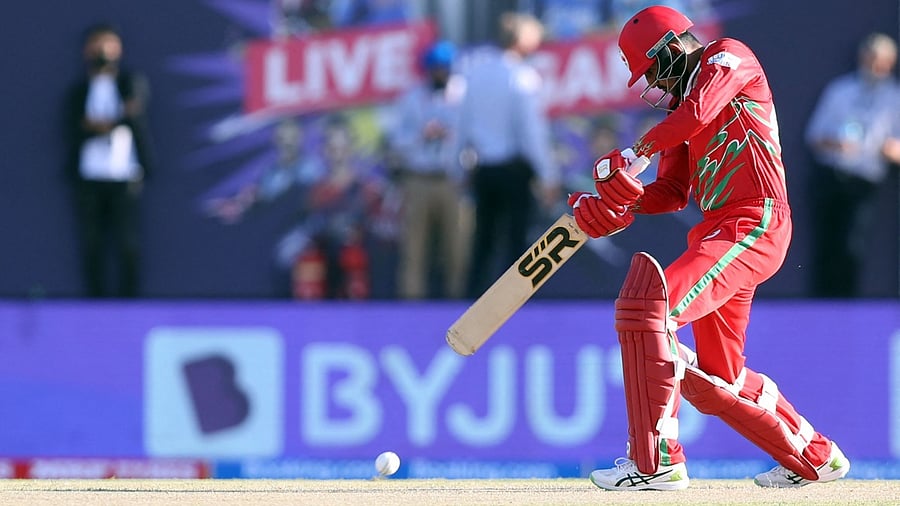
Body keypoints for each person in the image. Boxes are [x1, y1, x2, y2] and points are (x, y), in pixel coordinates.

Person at [567, 6, 850, 491]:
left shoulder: (729, 56)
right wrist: (621, 201)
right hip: (720, 231)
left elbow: (699, 112)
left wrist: (632, 154)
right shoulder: (679, 115)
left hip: (755, 221)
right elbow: (673, 192)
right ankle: (816, 456)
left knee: (648, 309)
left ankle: (656, 463)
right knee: (717, 382)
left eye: (652, 69)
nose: (653, 83)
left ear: (672, 48)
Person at [458, 12, 560, 298]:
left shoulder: (475, 74)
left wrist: (458, 168)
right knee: (517, 242)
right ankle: (515, 302)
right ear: (519, 39)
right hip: (514, 171)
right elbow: (531, 133)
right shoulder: (521, 77)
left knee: (483, 241)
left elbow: (462, 127)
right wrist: (548, 174)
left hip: (484, 170)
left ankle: (474, 301)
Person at [805, 33, 900, 298]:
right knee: (825, 244)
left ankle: (847, 306)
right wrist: (837, 144)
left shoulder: (895, 99)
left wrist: (890, 149)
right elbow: (814, 136)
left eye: (883, 61)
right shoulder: (840, 90)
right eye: (872, 59)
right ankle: (819, 306)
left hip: (864, 182)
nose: (877, 66)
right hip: (831, 176)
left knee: (852, 246)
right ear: (862, 58)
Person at [65, 23, 153, 298]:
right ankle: (95, 302)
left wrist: (106, 124)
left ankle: (128, 303)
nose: (103, 51)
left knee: (127, 243)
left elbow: (133, 114)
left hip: (124, 176)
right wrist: (99, 126)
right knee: (92, 243)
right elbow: (75, 126)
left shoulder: (130, 83)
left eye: (109, 44)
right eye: (97, 45)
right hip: (90, 177)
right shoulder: (80, 91)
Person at [388, 40, 468, 299]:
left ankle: (460, 303)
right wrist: (421, 135)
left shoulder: (463, 95)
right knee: (414, 247)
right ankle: (412, 304)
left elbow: (473, 137)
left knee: (457, 247)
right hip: (418, 178)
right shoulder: (411, 98)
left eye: (445, 68)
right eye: (436, 69)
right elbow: (396, 141)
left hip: (452, 180)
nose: (441, 73)